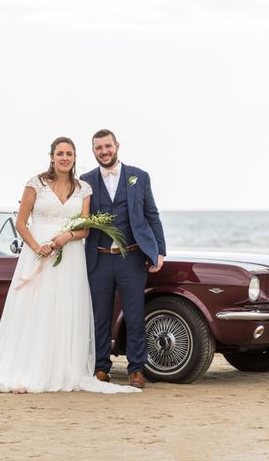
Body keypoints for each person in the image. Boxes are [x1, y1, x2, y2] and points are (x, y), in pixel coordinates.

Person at [0, 137, 139, 394]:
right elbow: (22, 223)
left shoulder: (84, 189)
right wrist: (38, 247)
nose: (65, 158)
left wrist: (67, 237)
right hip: (38, 254)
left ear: (75, 157)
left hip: (70, 257)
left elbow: (85, 229)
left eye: (69, 153)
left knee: (65, 311)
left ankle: (61, 368)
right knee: (36, 309)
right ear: (52, 156)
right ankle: (28, 369)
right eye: (60, 153)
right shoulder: (36, 184)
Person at [80, 129, 166, 389]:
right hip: (99, 258)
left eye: (107, 146)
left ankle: (136, 369)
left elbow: (152, 214)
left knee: (134, 314)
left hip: (131, 257)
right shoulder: (85, 181)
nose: (104, 151)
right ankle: (101, 368)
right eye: (98, 148)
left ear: (117, 146)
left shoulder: (139, 177)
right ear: (93, 151)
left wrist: (159, 250)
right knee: (100, 315)